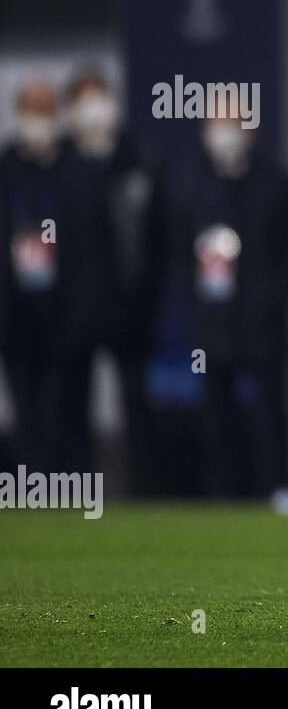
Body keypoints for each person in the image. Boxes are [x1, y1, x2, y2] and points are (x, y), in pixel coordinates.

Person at [174, 90, 288, 497]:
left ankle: (279, 492)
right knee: (216, 417)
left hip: (263, 325)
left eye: (235, 122)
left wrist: (267, 302)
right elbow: (176, 253)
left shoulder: (277, 184)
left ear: (251, 128)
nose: (226, 132)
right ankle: (222, 498)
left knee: (270, 416)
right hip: (213, 324)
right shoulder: (190, 184)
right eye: (218, 123)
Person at [65, 69, 168, 492]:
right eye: (86, 101)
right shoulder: (63, 165)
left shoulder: (137, 161)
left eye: (101, 99)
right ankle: (68, 494)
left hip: (129, 312)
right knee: (71, 409)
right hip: (73, 313)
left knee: (137, 408)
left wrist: (147, 298)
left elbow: (158, 240)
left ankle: (144, 494)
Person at [0, 79, 102, 473]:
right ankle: (30, 489)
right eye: (32, 108)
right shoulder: (6, 171)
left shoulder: (77, 172)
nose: (39, 119)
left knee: (66, 414)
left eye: (46, 110)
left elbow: (92, 250)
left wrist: (84, 314)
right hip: (17, 316)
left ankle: (69, 493)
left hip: (65, 318)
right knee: (27, 415)